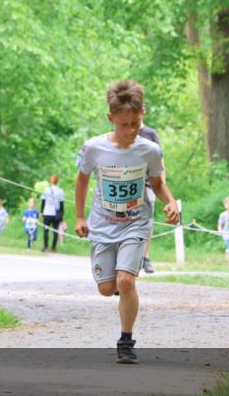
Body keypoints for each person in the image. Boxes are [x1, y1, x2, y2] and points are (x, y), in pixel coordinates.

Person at [74, 80, 179, 364]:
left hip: (136, 223)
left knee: (125, 280)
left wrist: (169, 201)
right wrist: (80, 216)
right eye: (124, 124)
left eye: (136, 122)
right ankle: (122, 283)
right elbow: (82, 180)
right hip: (103, 224)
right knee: (107, 288)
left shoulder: (149, 150)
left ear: (143, 114)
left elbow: (156, 182)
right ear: (111, 119)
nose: (131, 130)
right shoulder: (93, 148)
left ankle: (126, 340)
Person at [136, 124, 165, 273]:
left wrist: (162, 184)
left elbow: (160, 160)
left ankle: (145, 258)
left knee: (147, 221)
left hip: (148, 184)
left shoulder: (150, 133)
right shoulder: (122, 130)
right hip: (129, 183)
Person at [41, 175, 66, 252]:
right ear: (57, 181)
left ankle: (46, 247)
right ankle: (53, 248)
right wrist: (62, 215)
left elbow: (43, 202)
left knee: (46, 230)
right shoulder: (60, 191)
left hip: (47, 213)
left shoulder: (46, 190)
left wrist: (41, 211)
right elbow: (62, 204)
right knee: (55, 231)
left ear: (51, 181)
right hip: (56, 214)